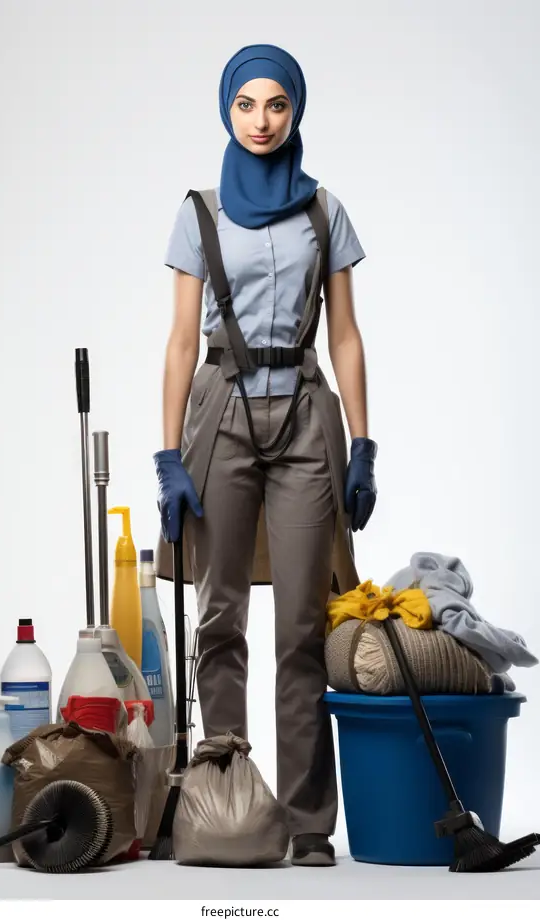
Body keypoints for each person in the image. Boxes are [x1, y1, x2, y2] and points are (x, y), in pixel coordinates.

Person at [153, 44, 378, 867]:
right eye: (245, 105)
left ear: (296, 112)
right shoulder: (199, 211)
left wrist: (364, 444)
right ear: (227, 111)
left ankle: (309, 824)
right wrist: (168, 453)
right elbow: (182, 341)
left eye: (275, 105)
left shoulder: (325, 211)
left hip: (308, 415)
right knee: (219, 616)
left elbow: (347, 334)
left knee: (302, 624)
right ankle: (224, 805)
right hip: (222, 410)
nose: (261, 120)